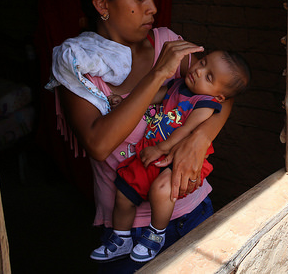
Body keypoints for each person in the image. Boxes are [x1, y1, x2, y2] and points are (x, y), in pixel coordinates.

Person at [49, 0, 234, 272]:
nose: (153, 8)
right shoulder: (77, 67)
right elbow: (98, 143)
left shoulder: (165, 41)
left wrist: (199, 140)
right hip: (128, 231)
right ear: (102, 5)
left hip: (192, 211)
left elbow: (224, 94)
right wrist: (159, 73)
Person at [90, 50, 250, 262]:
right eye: (202, 63)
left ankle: (156, 234)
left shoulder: (205, 103)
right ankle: (121, 238)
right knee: (124, 192)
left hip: (178, 154)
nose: (198, 71)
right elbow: (152, 97)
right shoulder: (178, 86)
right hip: (154, 150)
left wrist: (161, 148)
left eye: (209, 76)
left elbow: (186, 131)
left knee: (162, 190)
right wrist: (126, 102)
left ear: (219, 96)